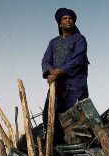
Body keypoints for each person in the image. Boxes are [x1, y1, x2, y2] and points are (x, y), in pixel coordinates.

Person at [41, 7, 89, 144]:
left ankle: (73, 147)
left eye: (70, 18)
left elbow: (78, 59)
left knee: (73, 117)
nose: (68, 20)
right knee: (49, 115)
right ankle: (53, 147)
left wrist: (58, 72)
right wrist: (50, 71)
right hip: (56, 86)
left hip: (75, 84)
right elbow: (45, 60)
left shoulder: (79, 39)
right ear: (59, 23)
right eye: (65, 18)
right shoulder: (53, 42)